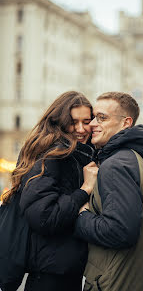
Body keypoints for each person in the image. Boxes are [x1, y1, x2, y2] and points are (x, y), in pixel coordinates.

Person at [2, 91, 98, 291]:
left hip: (65, 268)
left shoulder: (78, 154)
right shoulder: (51, 156)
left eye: (86, 121)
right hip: (50, 273)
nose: (81, 129)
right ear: (60, 122)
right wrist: (85, 189)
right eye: (73, 122)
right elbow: (45, 217)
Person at [74, 92, 143, 291]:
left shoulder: (116, 165)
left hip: (115, 284)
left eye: (102, 118)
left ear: (125, 123)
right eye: (94, 117)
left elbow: (120, 232)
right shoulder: (134, 159)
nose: (92, 124)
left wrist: (81, 216)